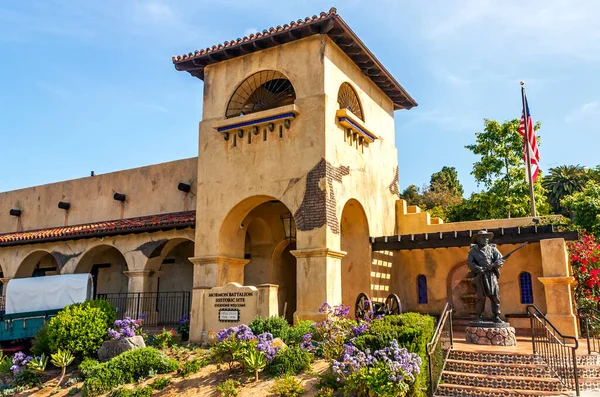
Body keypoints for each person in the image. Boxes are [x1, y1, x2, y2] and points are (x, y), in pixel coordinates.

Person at [467, 230, 505, 323]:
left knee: (495, 296)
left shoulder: (493, 249)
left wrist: (494, 265)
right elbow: (469, 262)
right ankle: (479, 316)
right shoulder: (473, 251)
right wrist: (478, 268)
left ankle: (496, 315)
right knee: (481, 297)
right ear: (479, 239)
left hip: (491, 275)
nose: (486, 239)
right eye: (484, 238)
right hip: (481, 276)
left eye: (487, 237)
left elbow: (501, 259)